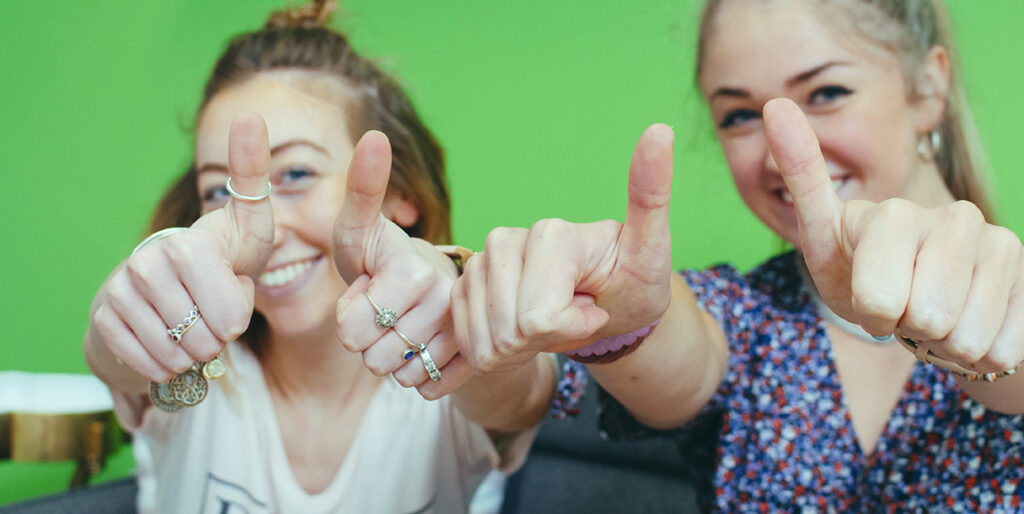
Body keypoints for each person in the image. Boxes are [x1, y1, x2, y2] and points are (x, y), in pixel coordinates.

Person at [450, 0, 1024, 511]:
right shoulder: (746, 314)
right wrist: (622, 314)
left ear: (929, 88)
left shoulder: (1012, 288)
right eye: (740, 115)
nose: (780, 157)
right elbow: (678, 339)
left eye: (826, 93)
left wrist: (989, 322)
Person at [82, 1, 554, 512]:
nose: (264, 229)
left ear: (400, 193)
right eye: (221, 191)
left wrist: (451, 297)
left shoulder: (457, 386)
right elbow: (114, 354)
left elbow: (520, 394)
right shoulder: (185, 366)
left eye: (297, 174)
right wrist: (135, 292)